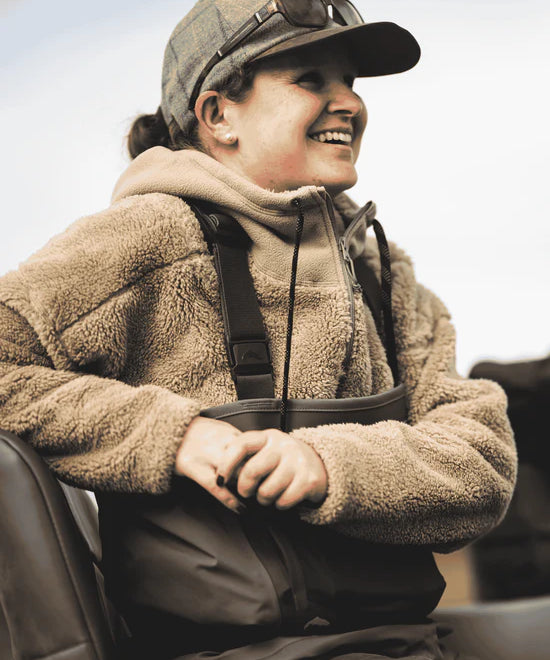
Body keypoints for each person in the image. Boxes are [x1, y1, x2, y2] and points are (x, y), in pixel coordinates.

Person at [0, 1, 517, 658]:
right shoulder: (146, 241)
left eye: (349, 82)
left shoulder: (386, 278)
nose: (349, 104)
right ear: (219, 116)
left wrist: (326, 465)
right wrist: (175, 435)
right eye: (310, 79)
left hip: (407, 642)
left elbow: (482, 461)